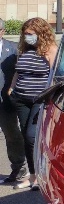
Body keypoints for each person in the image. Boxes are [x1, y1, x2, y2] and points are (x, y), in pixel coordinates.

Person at [4, 18, 58, 189]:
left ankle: (43, 174)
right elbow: (18, 72)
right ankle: (33, 176)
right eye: (25, 34)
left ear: (40, 33)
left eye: (30, 34)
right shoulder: (24, 50)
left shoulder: (50, 50)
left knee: (32, 136)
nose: (27, 37)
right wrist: (12, 88)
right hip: (20, 99)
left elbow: (54, 76)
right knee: (26, 138)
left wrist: (48, 96)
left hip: (38, 100)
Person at [0, 35, 27, 185]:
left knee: (11, 135)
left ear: (2, 31)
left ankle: (19, 168)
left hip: (6, 101)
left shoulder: (14, 49)